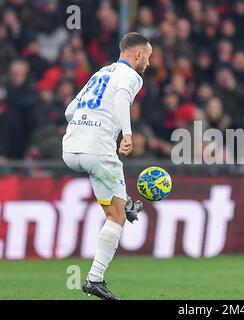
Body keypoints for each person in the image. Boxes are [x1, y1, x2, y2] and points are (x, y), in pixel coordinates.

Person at [61, 32, 152, 300]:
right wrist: (126, 132)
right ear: (137, 54)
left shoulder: (100, 73)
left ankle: (124, 203)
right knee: (116, 218)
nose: (147, 63)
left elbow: (69, 111)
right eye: (147, 57)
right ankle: (94, 280)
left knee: (115, 206)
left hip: (71, 148)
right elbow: (122, 98)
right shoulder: (132, 77)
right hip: (98, 149)